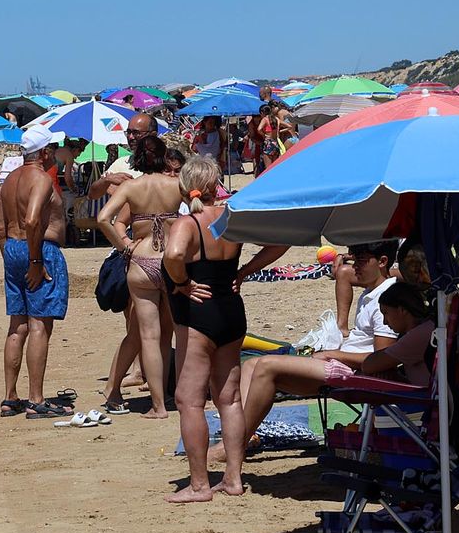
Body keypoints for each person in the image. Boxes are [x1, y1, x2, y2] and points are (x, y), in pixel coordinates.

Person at [223, 240, 400, 459]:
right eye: (354, 259)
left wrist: (333, 353)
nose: (354, 266)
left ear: (383, 262)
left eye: (361, 261)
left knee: (266, 366)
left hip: (353, 373)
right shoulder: (373, 290)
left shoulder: (387, 298)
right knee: (250, 365)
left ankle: (233, 448)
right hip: (340, 363)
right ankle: (241, 438)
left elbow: (381, 358)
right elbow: (343, 274)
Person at [162, 157, 247, 502]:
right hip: (231, 309)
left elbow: (173, 254)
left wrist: (181, 283)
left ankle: (199, 485)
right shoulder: (231, 217)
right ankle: (234, 479)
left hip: (200, 313)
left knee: (189, 400)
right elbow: (279, 241)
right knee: (230, 399)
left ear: (185, 187)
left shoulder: (188, 222)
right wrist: (247, 271)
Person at [96, 134, 182, 418]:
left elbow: (103, 219)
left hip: (142, 259)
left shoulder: (132, 187)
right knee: (170, 331)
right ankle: (169, 396)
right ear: (163, 157)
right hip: (171, 259)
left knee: (147, 334)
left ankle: (158, 406)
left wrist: (124, 247)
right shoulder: (176, 184)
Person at [0, 126, 71, 420]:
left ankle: (10, 396)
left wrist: (11, 256)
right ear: (45, 152)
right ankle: (36, 399)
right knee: (39, 325)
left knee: (18, 325)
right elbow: (31, 219)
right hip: (37, 251)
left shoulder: (10, 180)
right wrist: (36, 261)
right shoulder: (40, 179)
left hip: (13, 249)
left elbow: (0, 227)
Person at [87, 112, 159, 199]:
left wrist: (123, 191)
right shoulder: (122, 163)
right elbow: (92, 195)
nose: (131, 137)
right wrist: (106, 181)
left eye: (136, 133)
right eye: (128, 132)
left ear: (153, 135)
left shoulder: (168, 163)